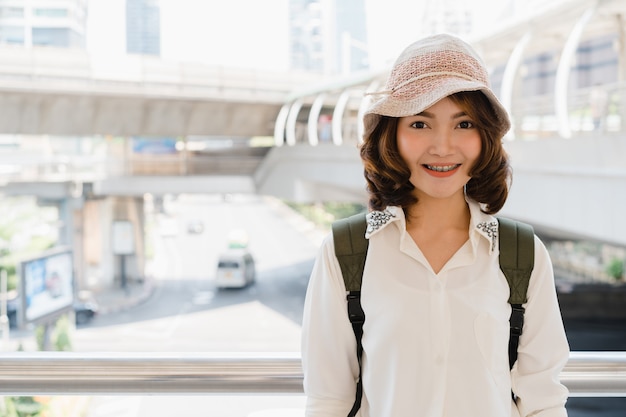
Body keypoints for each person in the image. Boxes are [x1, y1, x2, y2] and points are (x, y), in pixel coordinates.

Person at [301, 34, 570, 417]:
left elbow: (543, 401)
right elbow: (328, 401)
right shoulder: (347, 250)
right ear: (392, 135)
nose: (443, 147)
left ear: (486, 137)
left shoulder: (522, 253)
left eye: (463, 124)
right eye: (420, 124)